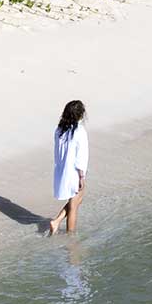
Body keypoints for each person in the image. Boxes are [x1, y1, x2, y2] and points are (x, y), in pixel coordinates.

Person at [43, 99, 88, 235]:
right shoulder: (79, 131)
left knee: (78, 199)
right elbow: (81, 156)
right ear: (80, 115)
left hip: (62, 169)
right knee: (74, 204)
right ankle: (71, 239)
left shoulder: (59, 129)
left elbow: (57, 151)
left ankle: (57, 221)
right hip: (73, 171)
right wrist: (81, 176)